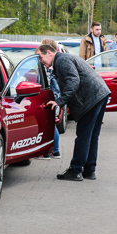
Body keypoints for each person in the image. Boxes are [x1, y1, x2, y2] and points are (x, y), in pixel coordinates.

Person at [37, 44, 110, 181]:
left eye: (41, 57)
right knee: (92, 136)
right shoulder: (64, 59)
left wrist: (60, 101)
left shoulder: (61, 60)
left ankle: (76, 170)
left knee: (83, 136)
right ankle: (89, 170)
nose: (41, 61)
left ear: (49, 53)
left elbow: (73, 80)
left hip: (91, 98)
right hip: (100, 94)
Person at [36, 39, 62, 159]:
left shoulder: (48, 67)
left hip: (51, 99)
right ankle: (52, 151)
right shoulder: (54, 64)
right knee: (52, 125)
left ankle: (50, 151)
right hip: (55, 98)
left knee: (49, 125)